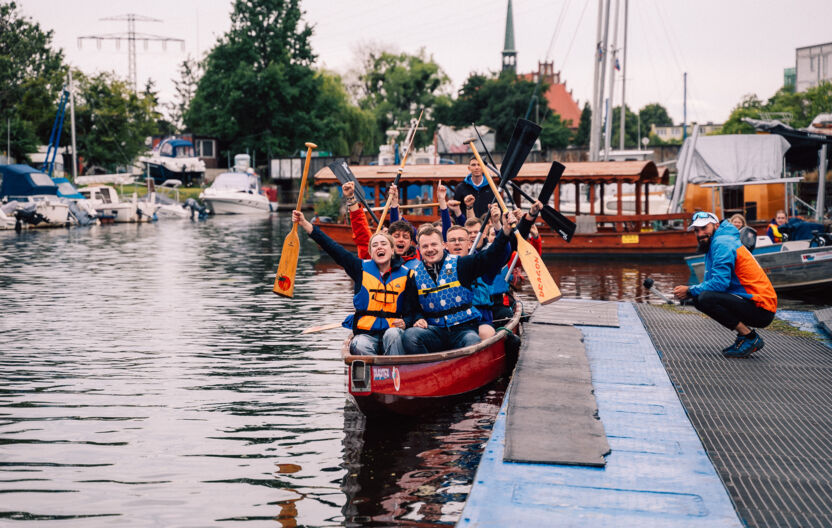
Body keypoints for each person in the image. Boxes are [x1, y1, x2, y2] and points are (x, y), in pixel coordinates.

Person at [292, 210, 421, 356]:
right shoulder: (359, 268)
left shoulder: (407, 275)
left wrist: (406, 323)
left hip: (392, 334)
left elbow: (413, 311)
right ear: (371, 252)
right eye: (375, 245)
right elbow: (332, 247)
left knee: (392, 334)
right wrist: (305, 223)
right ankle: (375, 367)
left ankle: (395, 366)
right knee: (359, 344)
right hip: (367, 334)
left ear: (392, 250)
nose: (379, 247)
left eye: (384, 244)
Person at [402, 212, 516, 355]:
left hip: (464, 329)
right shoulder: (414, 275)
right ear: (419, 248)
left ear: (443, 245)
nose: (430, 249)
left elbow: (490, 256)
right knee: (410, 336)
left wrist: (504, 232)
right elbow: (411, 309)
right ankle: (430, 365)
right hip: (435, 330)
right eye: (425, 246)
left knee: (472, 340)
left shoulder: (461, 264)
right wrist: (418, 318)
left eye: (434, 244)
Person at [673, 211, 777, 358]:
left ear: (716, 225)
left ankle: (749, 337)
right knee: (699, 298)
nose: (700, 233)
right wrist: (691, 293)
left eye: (704, 228)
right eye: (696, 230)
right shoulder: (716, 241)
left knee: (704, 298)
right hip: (754, 303)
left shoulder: (722, 243)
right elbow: (712, 283)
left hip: (762, 308)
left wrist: (689, 290)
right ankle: (745, 336)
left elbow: (719, 284)